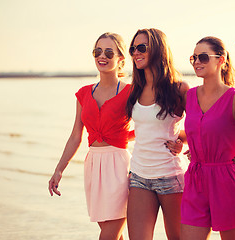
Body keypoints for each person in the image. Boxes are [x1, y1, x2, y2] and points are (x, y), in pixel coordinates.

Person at [48, 32, 133, 240]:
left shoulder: (131, 92)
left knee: (108, 236)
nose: (102, 56)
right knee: (112, 234)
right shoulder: (84, 93)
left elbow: (146, 127)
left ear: (120, 59)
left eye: (109, 52)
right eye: (98, 51)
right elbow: (76, 136)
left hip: (120, 167)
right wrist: (59, 169)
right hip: (93, 166)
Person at [180, 36, 235, 240]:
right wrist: (183, 142)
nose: (197, 62)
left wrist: (228, 151)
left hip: (226, 180)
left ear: (221, 60)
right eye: (194, 58)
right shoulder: (189, 96)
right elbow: (197, 130)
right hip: (195, 178)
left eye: (203, 57)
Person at [125, 28, 189, 240]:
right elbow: (142, 129)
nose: (135, 53)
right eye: (133, 48)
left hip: (170, 176)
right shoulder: (135, 89)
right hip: (139, 176)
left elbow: (200, 126)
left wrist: (182, 142)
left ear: (159, 50)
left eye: (141, 47)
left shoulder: (178, 89)